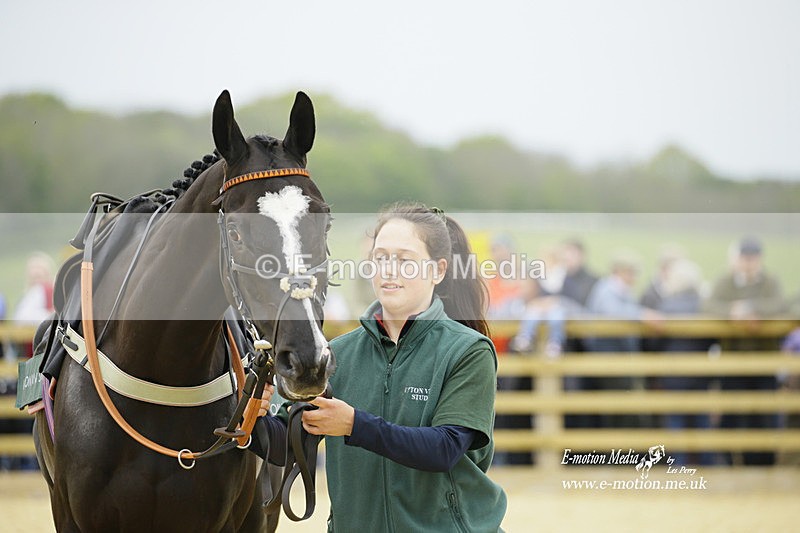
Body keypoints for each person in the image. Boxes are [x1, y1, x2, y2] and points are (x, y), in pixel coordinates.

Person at [261, 203, 507, 531]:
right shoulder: (337, 354)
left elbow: (444, 449)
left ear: (438, 270)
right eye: (380, 258)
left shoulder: (468, 351)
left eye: (404, 260)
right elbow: (284, 446)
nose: (389, 270)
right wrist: (254, 421)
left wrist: (354, 425)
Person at [703, 236, 786, 466]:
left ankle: (762, 464)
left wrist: (753, 310)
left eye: (753, 258)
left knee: (763, 416)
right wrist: (733, 311)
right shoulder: (725, 282)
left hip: (764, 364)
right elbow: (708, 305)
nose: (748, 262)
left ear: (759, 260)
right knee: (730, 415)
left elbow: (780, 304)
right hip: (733, 364)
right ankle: (726, 462)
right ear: (737, 259)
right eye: (745, 257)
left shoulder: (770, 281)